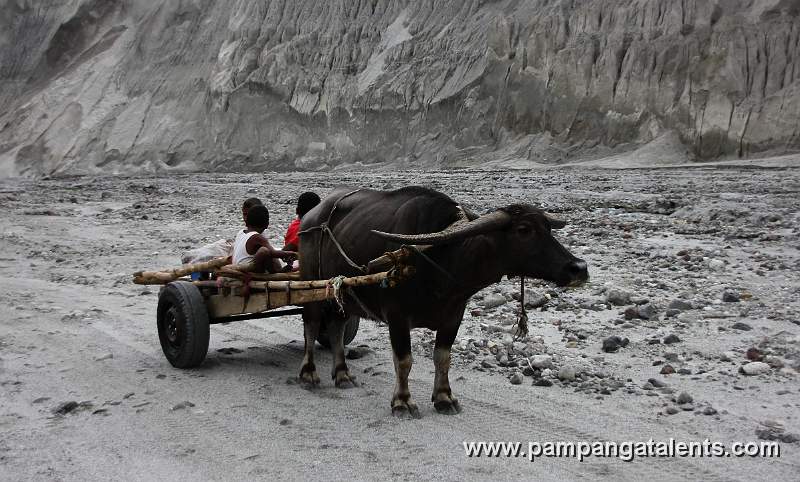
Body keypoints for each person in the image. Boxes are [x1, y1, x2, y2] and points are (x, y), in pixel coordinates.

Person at [232, 204, 296, 273]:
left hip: (237, 266)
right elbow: (273, 253)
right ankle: (275, 273)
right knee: (265, 251)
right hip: (246, 270)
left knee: (267, 250)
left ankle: (277, 271)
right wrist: (291, 254)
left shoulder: (241, 232)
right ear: (267, 224)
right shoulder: (257, 237)